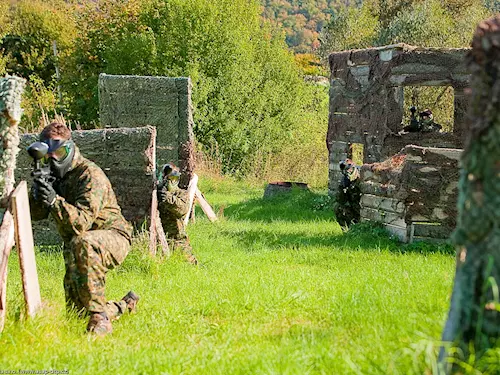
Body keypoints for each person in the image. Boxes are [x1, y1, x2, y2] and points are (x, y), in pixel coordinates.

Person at [29, 122, 139, 335]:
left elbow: (81, 223)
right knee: (76, 316)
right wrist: (39, 192)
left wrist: (53, 200)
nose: (54, 159)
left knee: (84, 242)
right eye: (48, 154)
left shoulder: (89, 174)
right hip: (78, 247)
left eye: (59, 152)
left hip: (114, 236)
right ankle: (124, 305)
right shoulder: (53, 176)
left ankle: (101, 321)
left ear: (70, 149)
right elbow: (37, 214)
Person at [157, 163, 198, 265]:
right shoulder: (157, 193)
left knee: (190, 266)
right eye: (168, 177)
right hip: (159, 239)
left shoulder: (181, 194)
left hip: (177, 240)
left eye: (174, 177)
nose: (171, 181)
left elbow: (183, 210)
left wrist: (168, 198)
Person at [334, 159, 361, 227]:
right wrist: (343, 188)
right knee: (338, 207)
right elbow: (340, 200)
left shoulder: (362, 176)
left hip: (364, 207)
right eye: (345, 171)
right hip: (354, 206)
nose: (348, 173)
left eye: (350, 170)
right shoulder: (345, 180)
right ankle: (349, 230)